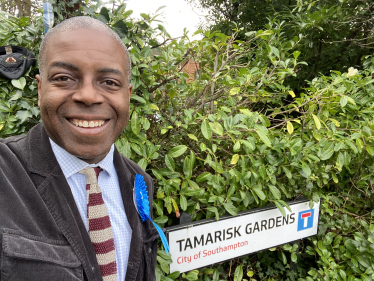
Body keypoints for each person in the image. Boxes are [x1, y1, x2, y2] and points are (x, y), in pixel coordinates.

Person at [0, 16, 158, 281]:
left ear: (127, 96)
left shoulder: (139, 182)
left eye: (109, 82)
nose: (88, 96)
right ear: (40, 90)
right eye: (64, 78)